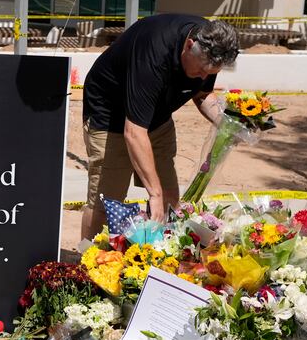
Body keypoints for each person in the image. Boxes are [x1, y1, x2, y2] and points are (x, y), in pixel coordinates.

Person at [80, 14, 239, 241]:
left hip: (157, 117)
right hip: (110, 116)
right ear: (189, 45)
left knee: (170, 199)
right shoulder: (152, 55)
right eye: (201, 70)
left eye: (210, 73)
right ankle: (86, 264)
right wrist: (153, 194)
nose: (203, 77)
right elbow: (134, 132)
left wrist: (230, 124)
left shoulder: (210, 44)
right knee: (106, 201)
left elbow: (202, 95)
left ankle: (162, 260)